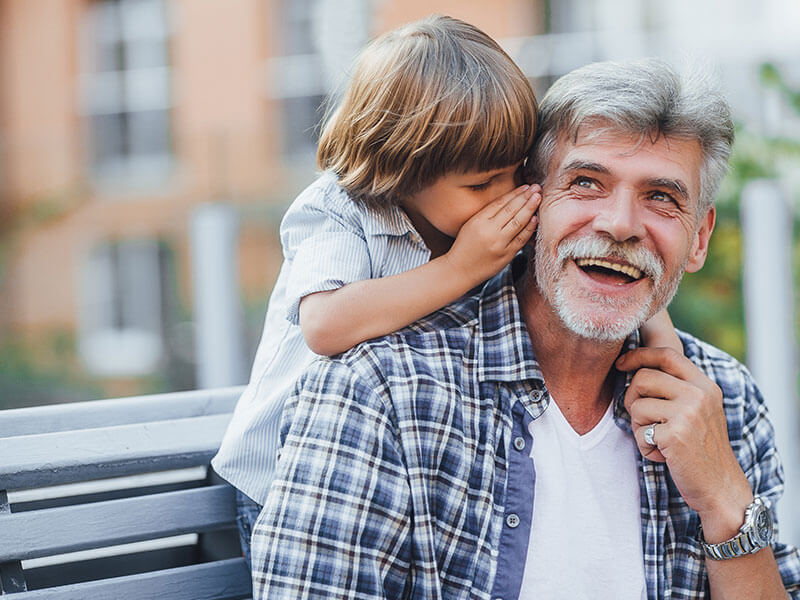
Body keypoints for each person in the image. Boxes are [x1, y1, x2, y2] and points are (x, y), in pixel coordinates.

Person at [250, 58, 800, 599]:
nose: (621, 224)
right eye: (586, 182)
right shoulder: (383, 389)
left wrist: (727, 504)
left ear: (699, 237)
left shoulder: (723, 399)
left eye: (661, 197)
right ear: (526, 201)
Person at [211, 15, 542, 567]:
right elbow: (325, 324)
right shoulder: (339, 213)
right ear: (404, 167)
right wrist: (461, 268)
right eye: (482, 184)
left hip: (397, 472)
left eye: (515, 172)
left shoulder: (473, 219)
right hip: (286, 480)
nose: (504, 197)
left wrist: (657, 335)